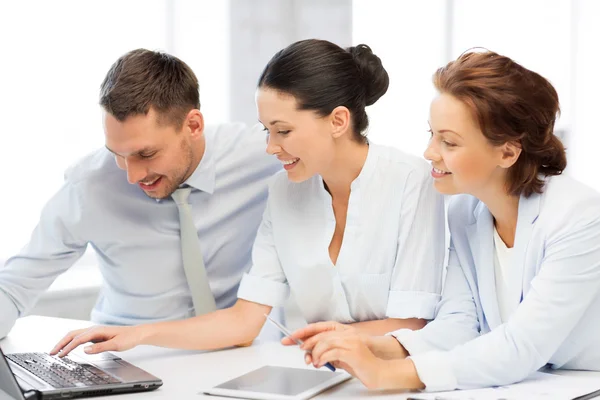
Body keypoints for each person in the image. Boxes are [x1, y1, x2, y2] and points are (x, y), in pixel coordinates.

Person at [50, 39, 446, 357]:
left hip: (399, 378)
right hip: (317, 372)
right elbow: (244, 321)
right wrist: (136, 335)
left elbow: (412, 324)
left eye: (283, 131)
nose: (271, 148)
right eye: (266, 131)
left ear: (338, 121)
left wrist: (325, 341)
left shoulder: (413, 182)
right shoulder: (283, 191)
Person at [289, 50, 600, 392]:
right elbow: (460, 323)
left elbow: (520, 346)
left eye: (449, 142)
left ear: (508, 152)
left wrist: (388, 375)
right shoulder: (466, 212)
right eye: (432, 134)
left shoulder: (578, 217)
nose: (430, 152)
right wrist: (369, 344)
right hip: (546, 382)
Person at [0, 49, 282, 339]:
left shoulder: (263, 156)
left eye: (146, 154)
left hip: (243, 352)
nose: (132, 175)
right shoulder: (90, 186)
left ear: (193, 126)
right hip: (127, 356)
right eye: (117, 155)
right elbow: (14, 286)